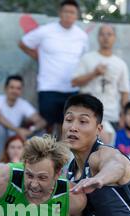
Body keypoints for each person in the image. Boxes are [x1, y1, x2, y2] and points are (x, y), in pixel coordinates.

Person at [19, 0, 88, 135]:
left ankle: (63, 156)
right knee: (47, 126)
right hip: (48, 87)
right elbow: (23, 43)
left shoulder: (82, 36)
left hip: (71, 90)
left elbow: (83, 60)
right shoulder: (46, 31)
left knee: (67, 128)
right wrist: (38, 57)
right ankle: (45, 155)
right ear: (60, 13)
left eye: (72, 12)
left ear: (77, 15)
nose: (68, 15)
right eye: (66, 12)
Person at [72, 24, 130, 129]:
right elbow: (74, 82)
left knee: (109, 145)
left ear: (114, 38)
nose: (106, 37)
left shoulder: (120, 63)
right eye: (102, 34)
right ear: (98, 37)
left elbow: (124, 92)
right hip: (87, 114)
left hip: (111, 115)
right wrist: (94, 73)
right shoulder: (87, 58)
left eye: (109, 34)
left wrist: (123, 115)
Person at [0, 75, 46, 164]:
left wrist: (31, 130)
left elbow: (41, 121)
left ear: (21, 91)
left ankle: (33, 164)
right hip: (1, 137)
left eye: (18, 88)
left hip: (16, 137)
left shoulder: (23, 104)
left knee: (41, 132)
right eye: (12, 87)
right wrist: (17, 130)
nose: (15, 91)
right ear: (5, 88)